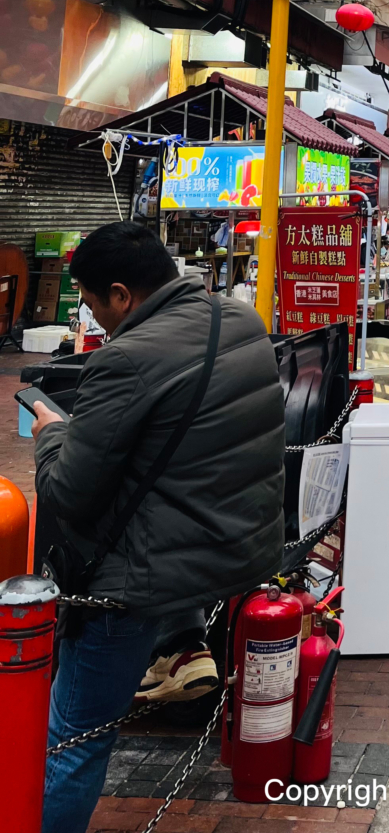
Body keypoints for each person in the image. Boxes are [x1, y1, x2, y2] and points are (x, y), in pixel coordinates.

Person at [31, 222, 285, 833]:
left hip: (139, 578)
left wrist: (50, 437)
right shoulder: (240, 319)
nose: (95, 322)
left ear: (121, 294)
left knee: (73, 736)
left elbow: (68, 490)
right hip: (229, 549)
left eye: (94, 306)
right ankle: (183, 649)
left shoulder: (125, 359)